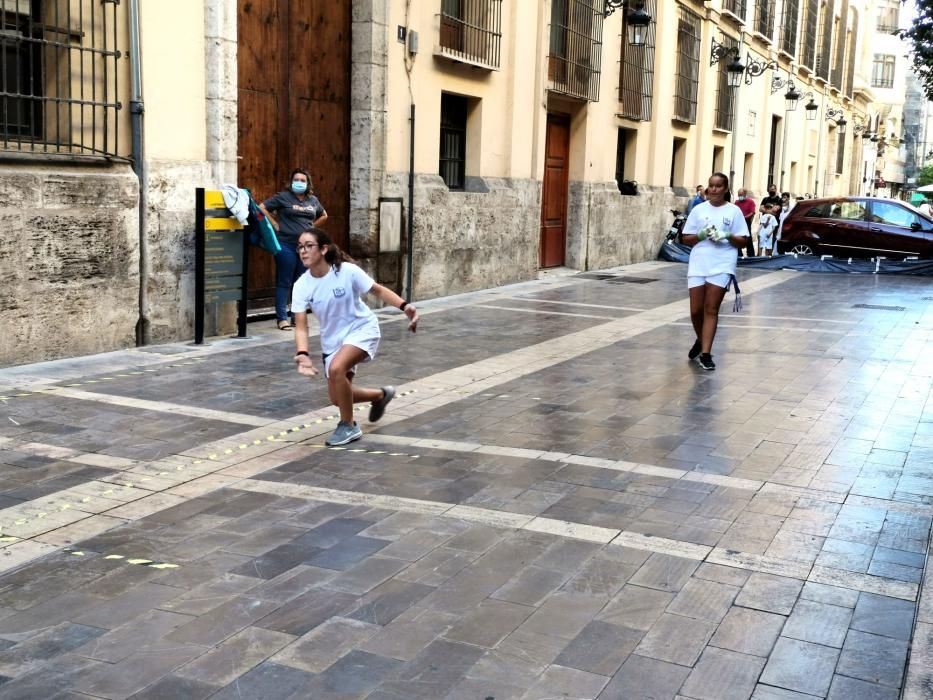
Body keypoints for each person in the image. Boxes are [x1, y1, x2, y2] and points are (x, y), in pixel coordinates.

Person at [290, 227, 419, 447]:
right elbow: (301, 325)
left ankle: (348, 426)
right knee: (338, 398)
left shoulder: (346, 271)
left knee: (337, 369)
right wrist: (302, 353)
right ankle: (380, 395)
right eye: (300, 247)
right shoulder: (301, 285)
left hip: (362, 329)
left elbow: (377, 290)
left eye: (309, 246)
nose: (303, 251)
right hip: (333, 341)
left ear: (323, 249)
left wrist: (405, 306)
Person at [681, 172, 748, 371]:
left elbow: (743, 240)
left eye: (719, 186)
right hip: (699, 261)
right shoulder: (699, 210)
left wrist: (726, 235)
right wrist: (702, 235)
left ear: (726, 189)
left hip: (722, 262)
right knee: (695, 310)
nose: (714, 189)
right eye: (711, 185)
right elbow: (686, 237)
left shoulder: (734, 211)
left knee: (711, 308)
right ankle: (702, 340)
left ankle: (706, 354)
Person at [260, 169, 328, 330]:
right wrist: (274, 224)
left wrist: (312, 226)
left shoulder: (313, 200)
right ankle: (282, 318)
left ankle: (296, 316)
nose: (299, 182)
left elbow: (324, 215)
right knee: (284, 281)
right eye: (296, 179)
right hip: (285, 244)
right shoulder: (283, 197)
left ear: (308, 183)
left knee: (300, 282)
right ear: (291, 182)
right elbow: (261, 207)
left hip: (305, 247)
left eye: (303, 180)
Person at [735, 188, 757, 257]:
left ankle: (751, 255)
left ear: (745, 194)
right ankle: (739, 254)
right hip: (738, 221)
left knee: (748, 238)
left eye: (741, 195)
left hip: (746, 221)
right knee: (738, 237)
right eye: (739, 195)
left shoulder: (750, 201)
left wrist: (744, 217)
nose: (740, 197)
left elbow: (752, 212)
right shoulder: (737, 202)